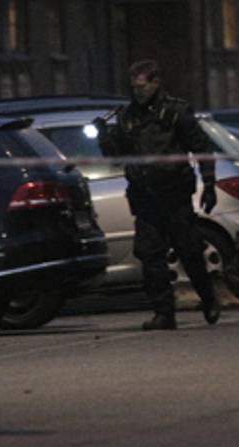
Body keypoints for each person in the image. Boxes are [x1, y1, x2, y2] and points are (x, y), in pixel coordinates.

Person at [95, 59, 221, 330]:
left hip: (174, 195)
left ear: (155, 83)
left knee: (189, 250)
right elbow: (117, 155)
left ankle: (208, 297)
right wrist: (105, 136)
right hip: (144, 197)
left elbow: (201, 148)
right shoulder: (128, 117)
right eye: (134, 87)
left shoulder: (175, 112)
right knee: (151, 255)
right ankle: (164, 313)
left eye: (142, 86)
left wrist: (209, 185)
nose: (138, 92)